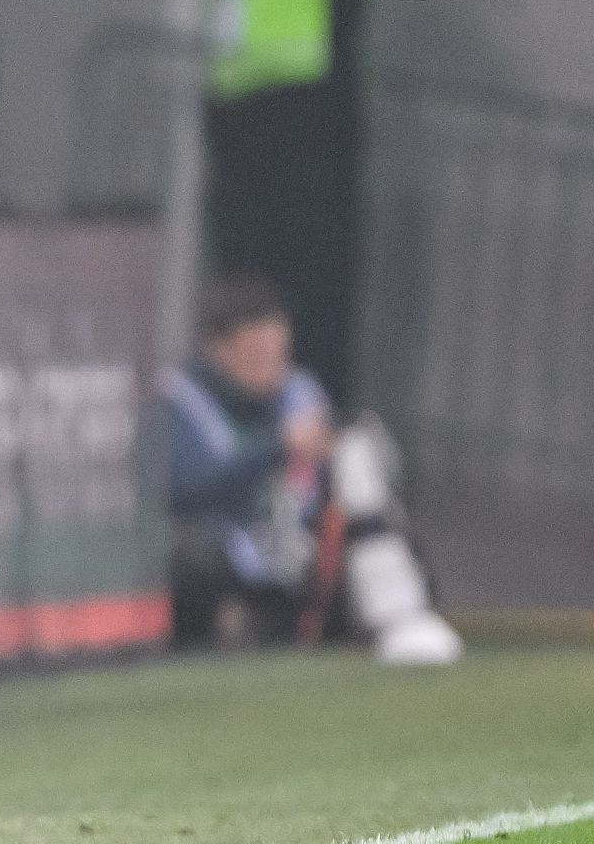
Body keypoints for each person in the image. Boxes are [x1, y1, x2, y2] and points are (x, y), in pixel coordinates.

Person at [207, 0, 456, 412]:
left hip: (270, 126)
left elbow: (231, 15)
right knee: (298, 286)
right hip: (289, 126)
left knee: (281, 287)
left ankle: (289, 415)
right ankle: (287, 415)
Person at [165, 275, 460, 664]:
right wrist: (278, 449)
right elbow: (184, 487)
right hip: (228, 549)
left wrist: (348, 447)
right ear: (219, 350)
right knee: (183, 553)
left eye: (279, 353)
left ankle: (399, 615)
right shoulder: (184, 401)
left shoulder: (298, 392)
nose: (272, 368)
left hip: (301, 551)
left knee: (361, 462)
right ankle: (234, 626)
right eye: (257, 354)